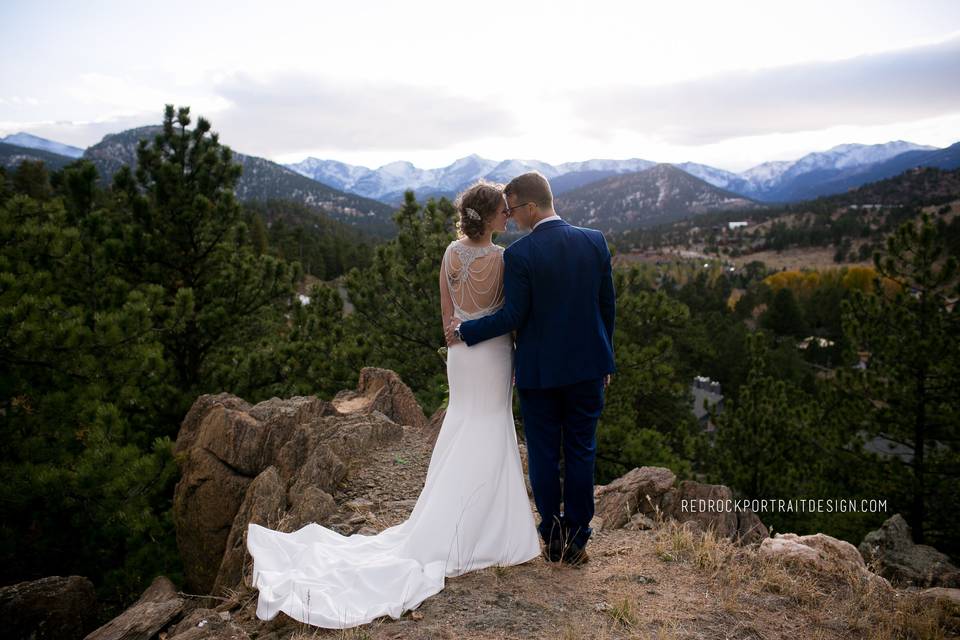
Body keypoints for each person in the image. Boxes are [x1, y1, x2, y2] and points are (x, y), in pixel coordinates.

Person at [246, 179, 541, 629]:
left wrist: (455, 339)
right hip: (495, 353)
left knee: (463, 424)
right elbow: (511, 317)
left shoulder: (450, 252)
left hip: (461, 355)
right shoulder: (504, 258)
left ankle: (455, 521)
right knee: (490, 426)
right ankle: (488, 532)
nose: (508, 215)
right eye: (504, 210)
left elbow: (447, 313)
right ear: (490, 216)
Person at [446, 170, 616, 567]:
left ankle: (551, 535)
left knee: (542, 454)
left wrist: (466, 331)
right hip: (589, 368)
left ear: (533, 206)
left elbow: (514, 315)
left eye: (515, 209)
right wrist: (605, 356)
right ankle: (577, 540)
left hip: (540, 373)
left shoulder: (521, 255)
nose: (512, 217)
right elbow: (606, 307)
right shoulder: (595, 242)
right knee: (581, 451)